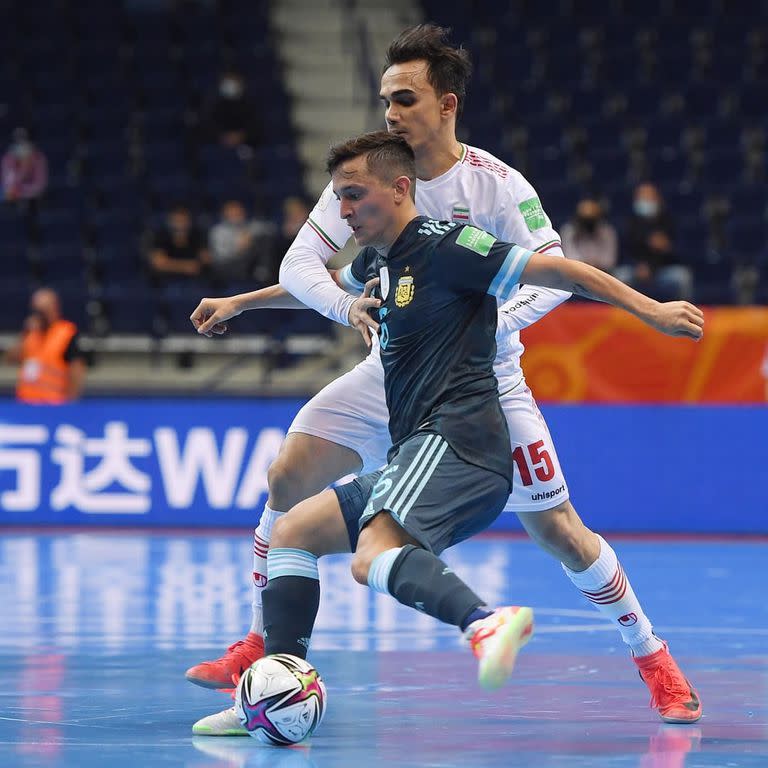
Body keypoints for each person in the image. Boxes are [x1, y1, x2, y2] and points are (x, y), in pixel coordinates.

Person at [188, 25, 703, 728]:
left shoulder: (495, 186)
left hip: (480, 380)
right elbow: (330, 269)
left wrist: (490, 322)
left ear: (447, 104)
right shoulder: (370, 176)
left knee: (560, 531)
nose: (391, 111)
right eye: (385, 99)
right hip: (391, 369)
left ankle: (653, 658)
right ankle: (262, 649)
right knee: (289, 476)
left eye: (405, 99)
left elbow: (554, 271)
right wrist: (245, 302)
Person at [4, 287, 86, 403]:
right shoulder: (30, 333)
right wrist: (24, 334)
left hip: (53, 405)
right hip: (26, 404)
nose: (39, 316)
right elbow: (10, 360)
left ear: (54, 308)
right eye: (36, 311)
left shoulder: (66, 332)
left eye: (43, 311)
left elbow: (76, 371)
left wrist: (69, 404)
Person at [616, 182, 693, 301]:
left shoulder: (668, 221)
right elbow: (623, 253)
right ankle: (618, 316)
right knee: (620, 276)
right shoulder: (629, 223)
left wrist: (667, 248)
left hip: (661, 271)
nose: (645, 201)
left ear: (657, 199)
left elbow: (683, 253)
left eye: (649, 197)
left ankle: (686, 315)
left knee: (682, 276)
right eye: (642, 197)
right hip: (636, 270)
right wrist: (637, 266)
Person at [208, 199, 276, 284]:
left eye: (238, 211)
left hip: (246, 261)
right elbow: (221, 257)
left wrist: (249, 236)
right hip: (227, 264)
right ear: (225, 214)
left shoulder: (248, 225)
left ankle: (263, 271)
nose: (236, 214)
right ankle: (261, 274)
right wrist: (238, 248)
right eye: (232, 212)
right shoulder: (219, 231)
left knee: (263, 239)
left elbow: (270, 229)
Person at [147, 204, 210, 283]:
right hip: (166, 280)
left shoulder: (197, 235)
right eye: (177, 221)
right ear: (170, 221)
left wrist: (170, 263)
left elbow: (205, 259)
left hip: (194, 280)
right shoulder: (161, 236)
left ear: (189, 221)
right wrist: (185, 266)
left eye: (183, 220)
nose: (180, 225)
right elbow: (158, 263)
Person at [560, 196, 618, 273]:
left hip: (603, 273)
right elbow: (569, 257)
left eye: (591, 219)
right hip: (576, 272)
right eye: (585, 219)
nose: (587, 223)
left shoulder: (606, 231)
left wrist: (593, 265)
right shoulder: (568, 231)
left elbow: (609, 261)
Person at [1, 127, 48, 205]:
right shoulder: (8, 159)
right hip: (13, 198)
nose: (21, 143)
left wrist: (27, 163)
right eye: (17, 140)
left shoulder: (38, 158)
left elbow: (40, 185)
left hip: (33, 198)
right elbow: (8, 185)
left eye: (23, 139)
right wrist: (22, 168)